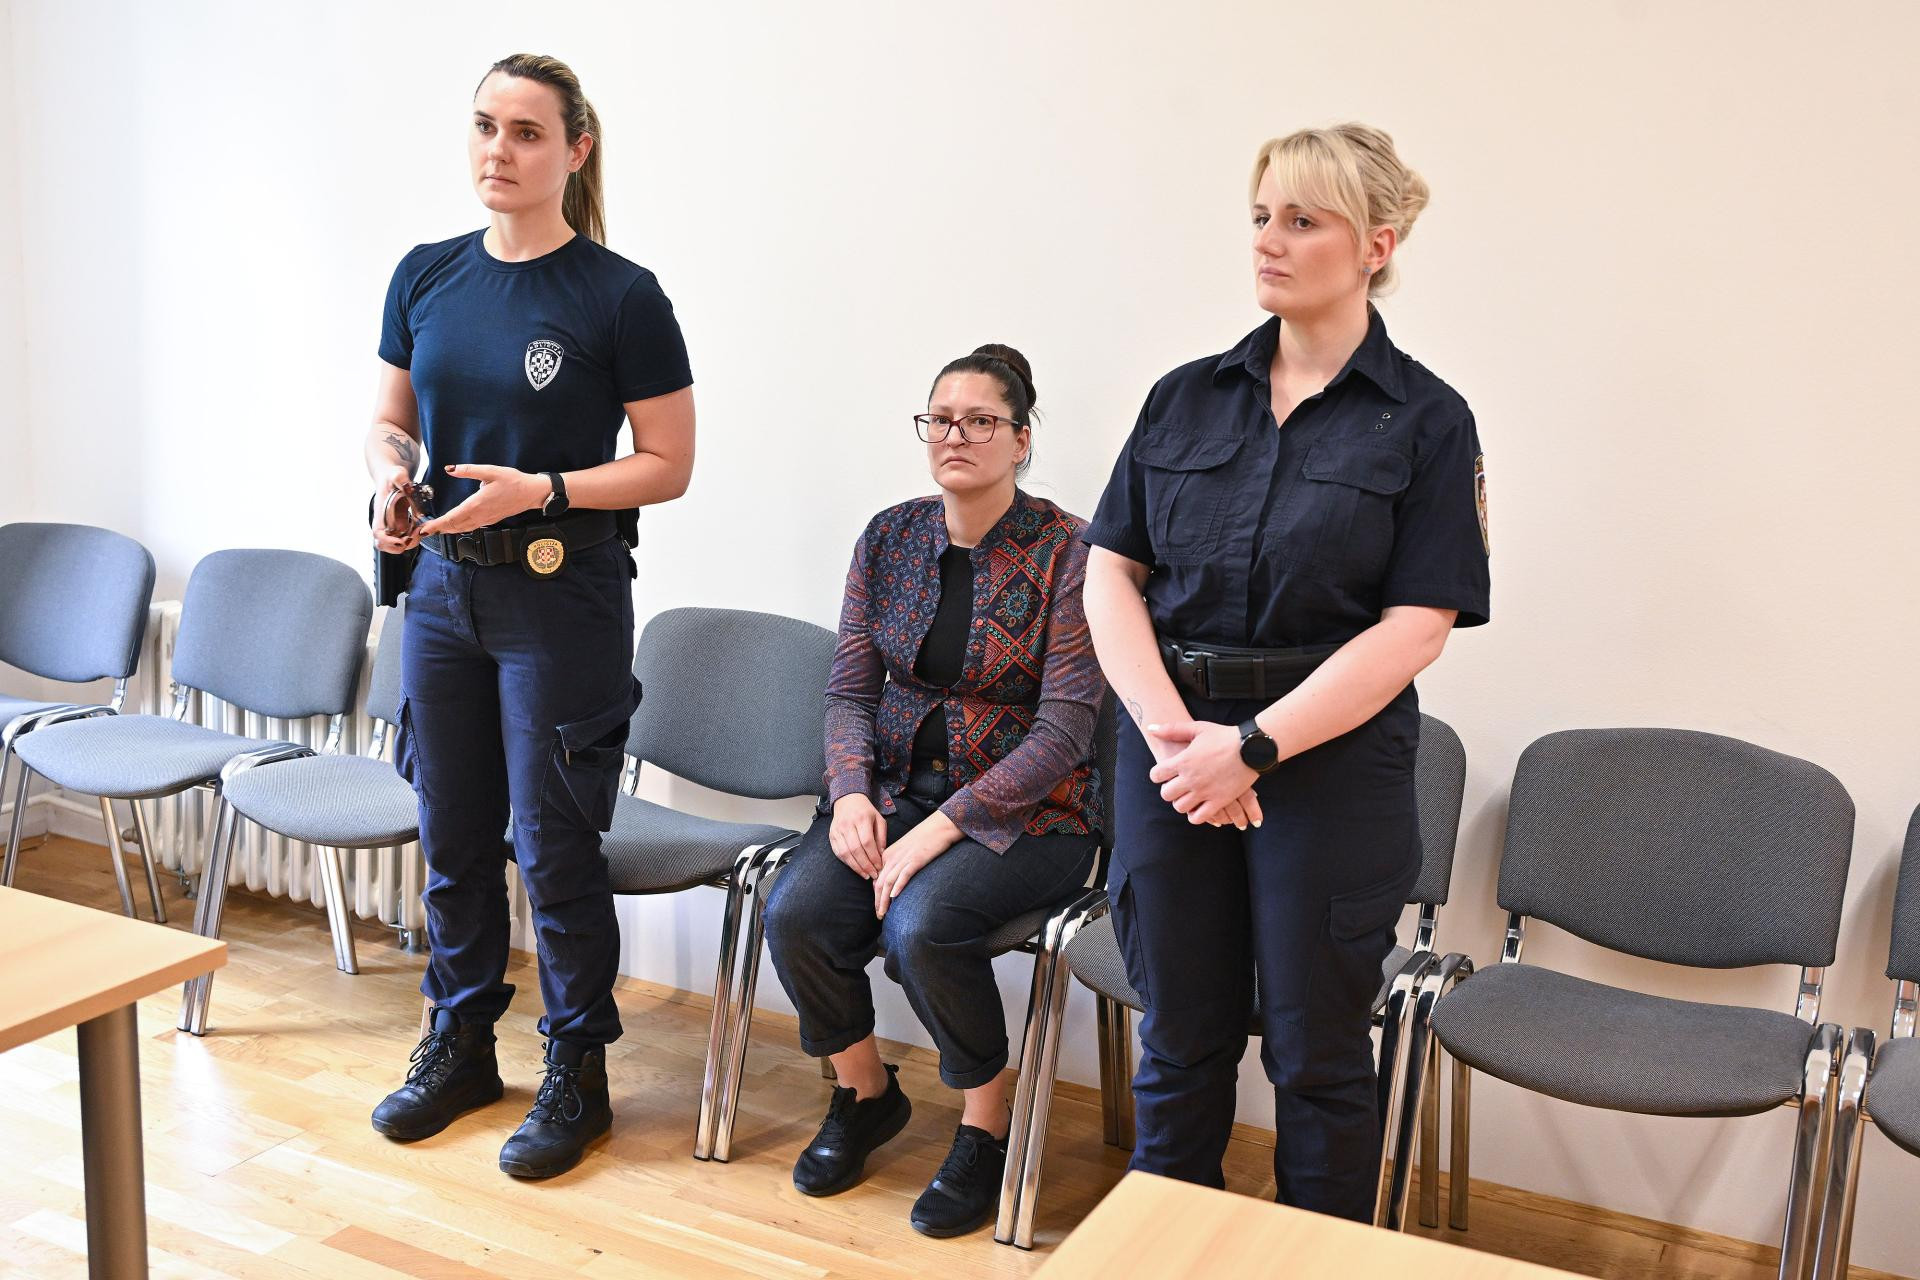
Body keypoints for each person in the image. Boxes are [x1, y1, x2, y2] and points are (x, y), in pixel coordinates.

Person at [1080, 124, 1489, 1220]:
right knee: (1180, 1037)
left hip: (1329, 765)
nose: (1268, 240)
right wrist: (1178, 741)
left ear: (1376, 245)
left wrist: (1254, 748)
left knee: (1317, 1055)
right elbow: (1109, 573)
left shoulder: (1429, 421)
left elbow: (1416, 627)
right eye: (1262, 215)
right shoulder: (1184, 397)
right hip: (1171, 752)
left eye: (1302, 220)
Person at [362, 53, 696, 1180]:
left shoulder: (621, 295)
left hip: (562, 595)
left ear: (574, 150)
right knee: (452, 835)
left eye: (526, 132)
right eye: (484, 127)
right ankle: (460, 1043)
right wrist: (390, 480)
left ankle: (576, 1069)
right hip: (441, 595)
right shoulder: (425, 274)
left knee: (553, 844)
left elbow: (668, 463)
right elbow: (391, 423)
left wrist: (542, 489)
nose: (498, 151)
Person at [762, 345, 1105, 1237]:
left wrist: (943, 828)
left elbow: (1067, 731)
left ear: (1021, 440)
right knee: (797, 912)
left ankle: (987, 1124)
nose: (957, 435)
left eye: (981, 421)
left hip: (1033, 818)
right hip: (889, 795)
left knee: (921, 927)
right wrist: (849, 793)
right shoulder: (890, 537)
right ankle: (866, 1094)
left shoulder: (1072, 552)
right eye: (941, 419)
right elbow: (849, 691)